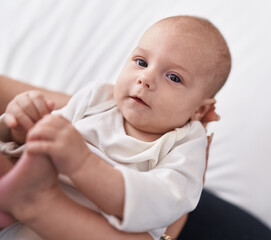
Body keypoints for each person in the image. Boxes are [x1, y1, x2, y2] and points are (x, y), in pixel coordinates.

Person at [0, 15, 230, 240]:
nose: (145, 78)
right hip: (17, 219)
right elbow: (30, 152)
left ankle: (35, 203)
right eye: (141, 62)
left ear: (199, 110)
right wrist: (22, 127)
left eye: (174, 77)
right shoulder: (96, 98)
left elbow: (163, 202)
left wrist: (83, 164)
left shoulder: (186, 143)